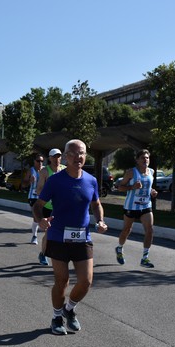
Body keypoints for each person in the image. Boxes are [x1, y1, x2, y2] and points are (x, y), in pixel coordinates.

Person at [34, 139, 108, 335]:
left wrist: (100, 220)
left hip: (82, 237)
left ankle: (69, 309)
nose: (78, 157)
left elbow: (96, 204)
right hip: (58, 237)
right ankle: (56, 316)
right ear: (66, 157)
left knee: (86, 281)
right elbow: (38, 204)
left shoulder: (91, 180)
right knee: (62, 281)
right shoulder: (55, 181)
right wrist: (41, 220)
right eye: (74, 154)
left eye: (82, 153)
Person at [115, 149, 158, 268]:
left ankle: (145, 258)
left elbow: (148, 188)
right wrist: (132, 187)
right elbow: (120, 187)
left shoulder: (151, 172)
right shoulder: (131, 172)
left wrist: (152, 192)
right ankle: (119, 248)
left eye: (147, 158)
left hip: (146, 205)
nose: (145, 160)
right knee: (127, 230)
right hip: (131, 206)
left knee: (149, 230)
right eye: (143, 158)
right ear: (137, 160)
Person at [32, 148, 65, 265]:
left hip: (60, 207)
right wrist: (50, 193)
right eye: (54, 157)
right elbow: (39, 189)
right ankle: (43, 254)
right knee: (48, 232)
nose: (57, 159)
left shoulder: (64, 170)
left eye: (59, 156)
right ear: (50, 158)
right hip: (47, 206)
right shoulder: (45, 172)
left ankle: (61, 254)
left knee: (62, 232)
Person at [24, 155, 45, 244]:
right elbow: (23, 184)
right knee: (36, 217)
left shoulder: (45, 170)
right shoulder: (31, 171)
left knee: (41, 216)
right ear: (34, 161)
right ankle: (34, 236)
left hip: (43, 197)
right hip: (32, 197)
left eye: (41, 161)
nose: (40, 163)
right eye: (38, 161)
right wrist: (29, 181)